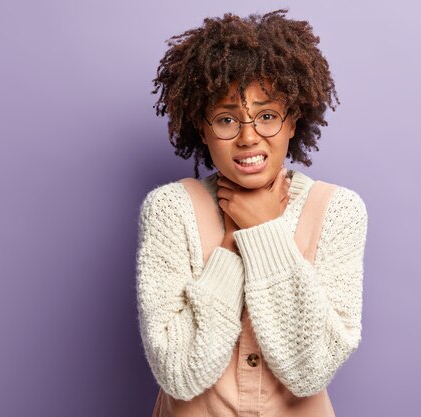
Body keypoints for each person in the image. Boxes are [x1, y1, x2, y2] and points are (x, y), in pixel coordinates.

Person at [136, 8, 368, 417]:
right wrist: (229, 244)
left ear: (293, 121)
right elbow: (178, 374)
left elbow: (310, 371)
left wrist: (263, 230)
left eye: (266, 116)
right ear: (202, 126)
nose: (247, 137)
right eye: (226, 119)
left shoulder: (339, 211)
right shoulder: (171, 210)